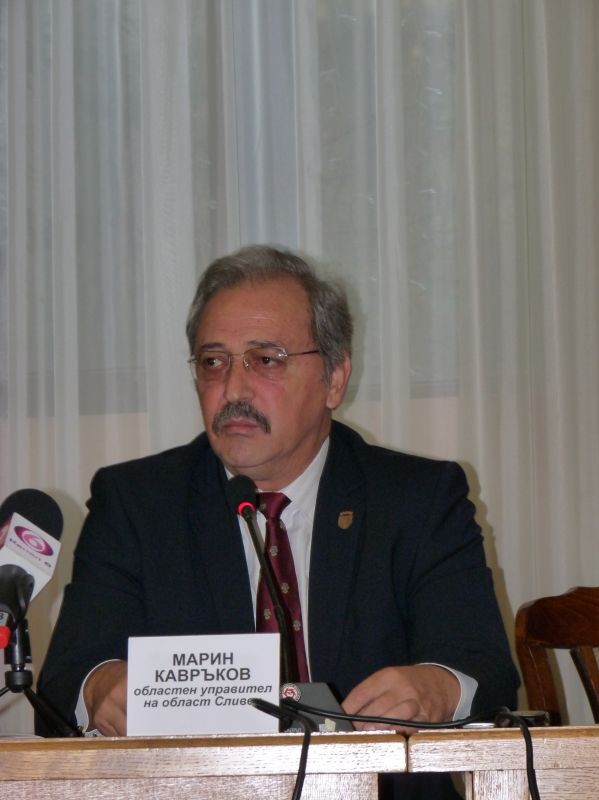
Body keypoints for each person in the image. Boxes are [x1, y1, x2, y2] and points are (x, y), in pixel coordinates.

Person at [37, 244, 519, 798]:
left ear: (335, 379)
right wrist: (99, 687)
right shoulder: (136, 504)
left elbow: (486, 673)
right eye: (213, 362)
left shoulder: (419, 500)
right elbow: (66, 678)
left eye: (266, 360)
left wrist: (438, 688)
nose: (233, 389)